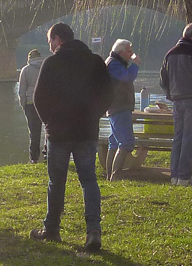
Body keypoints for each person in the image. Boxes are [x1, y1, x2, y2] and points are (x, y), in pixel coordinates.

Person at [30, 22, 111, 252]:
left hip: (58, 134)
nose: (50, 47)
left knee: (57, 182)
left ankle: (52, 229)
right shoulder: (95, 61)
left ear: (57, 39)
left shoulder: (52, 63)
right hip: (87, 131)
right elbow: (107, 93)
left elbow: (38, 99)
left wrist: (49, 122)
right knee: (89, 180)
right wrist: (93, 116)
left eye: (50, 42)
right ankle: (93, 231)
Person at [160, 23, 192, 187]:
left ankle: (174, 175)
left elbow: (163, 80)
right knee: (189, 138)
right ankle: (184, 176)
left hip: (176, 100)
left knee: (178, 138)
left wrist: (170, 93)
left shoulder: (170, 54)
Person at [105, 39, 141, 181]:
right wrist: (135, 64)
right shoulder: (114, 64)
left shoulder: (113, 62)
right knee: (126, 142)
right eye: (129, 51)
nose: (131, 54)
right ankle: (116, 175)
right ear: (121, 52)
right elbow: (127, 77)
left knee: (114, 142)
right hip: (119, 107)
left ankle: (110, 175)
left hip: (116, 107)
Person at [18, 49, 45, 164]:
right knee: (49, 131)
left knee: (34, 132)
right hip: (45, 103)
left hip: (31, 104)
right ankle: (47, 154)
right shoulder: (45, 68)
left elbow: (21, 90)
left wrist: (23, 104)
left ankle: (34, 158)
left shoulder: (25, 70)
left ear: (29, 58)